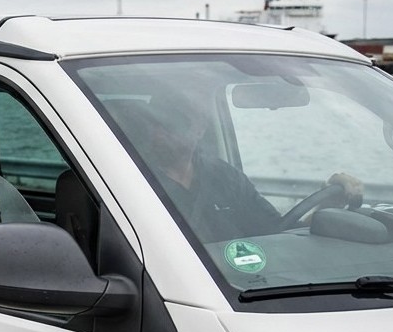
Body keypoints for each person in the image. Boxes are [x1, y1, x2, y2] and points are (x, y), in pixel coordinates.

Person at [122, 91, 361, 242]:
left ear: (200, 129)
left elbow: (275, 232)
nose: (160, 133)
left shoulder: (224, 176)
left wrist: (327, 206)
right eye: (155, 123)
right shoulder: (131, 181)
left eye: (173, 123)